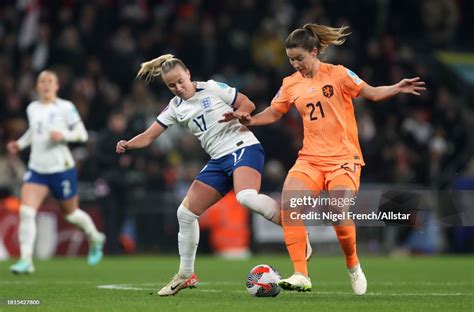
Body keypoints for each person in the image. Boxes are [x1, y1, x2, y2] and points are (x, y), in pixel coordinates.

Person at [225, 23, 426, 295]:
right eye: (290, 59)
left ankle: (353, 266)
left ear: (315, 52)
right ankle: (301, 274)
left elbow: (373, 92)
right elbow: (274, 112)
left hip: (344, 158)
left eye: (299, 58)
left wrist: (396, 87)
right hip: (310, 159)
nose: (295, 64)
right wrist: (251, 120)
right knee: (290, 208)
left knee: (337, 212)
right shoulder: (290, 84)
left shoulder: (339, 74)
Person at [115, 54, 312, 296]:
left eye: (180, 81)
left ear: (187, 72)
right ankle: (186, 275)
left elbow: (247, 103)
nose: (178, 88)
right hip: (219, 160)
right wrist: (128, 144)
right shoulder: (175, 107)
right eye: (171, 85)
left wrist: (240, 114)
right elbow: (148, 136)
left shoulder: (211, 87)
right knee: (185, 213)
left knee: (246, 197)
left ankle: (295, 228)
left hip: (243, 147)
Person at [7, 70, 106, 274]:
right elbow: (34, 132)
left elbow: (82, 134)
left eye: (49, 81)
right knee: (26, 211)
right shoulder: (32, 108)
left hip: (61, 169)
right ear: (37, 86)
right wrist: (20, 143)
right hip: (37, 169)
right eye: (42, 81)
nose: (45, 85)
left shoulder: (66, 107)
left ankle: (95, 238)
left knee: (70, 214)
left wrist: (63, 135)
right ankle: (26, 261)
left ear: (57, 86)